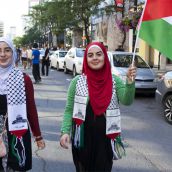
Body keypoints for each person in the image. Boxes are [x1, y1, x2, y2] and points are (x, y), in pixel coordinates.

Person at [60, 42, 136, 172]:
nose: (94, 58)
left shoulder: (115, 81)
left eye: (98, 54)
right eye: (90, 55)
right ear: (86, 59)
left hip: (105, 139)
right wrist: (65, 131)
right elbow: (69, 110)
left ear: (105, 57)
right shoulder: (77, 82)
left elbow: (127, 100)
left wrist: (130, 82)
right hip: (83, 139)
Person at [0, 37, 45, 172]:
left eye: (7, 50)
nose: (2, 54)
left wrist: (38, 135)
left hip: (16, 133)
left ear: (13, 53)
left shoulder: (23, 79)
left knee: (15, 167)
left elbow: (31, 109)